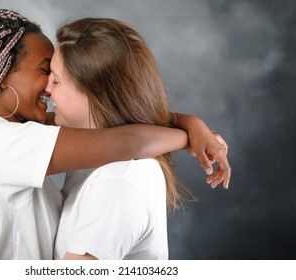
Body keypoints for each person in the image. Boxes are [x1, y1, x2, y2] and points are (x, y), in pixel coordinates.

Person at [0, 9, 229, 260]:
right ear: (2, 78)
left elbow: (110, 121)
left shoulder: (3, 134)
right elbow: (127, 139)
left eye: (55, 79)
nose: (48, 87)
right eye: (45, 71)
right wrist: (187, 136)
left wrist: (191, 124)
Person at [48, 18, 230, 260]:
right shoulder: (96, 148)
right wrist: (189, 129)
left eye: (56, 80)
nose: (46, 88)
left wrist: (189, 130)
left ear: (96, 95)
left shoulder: (118, 182)